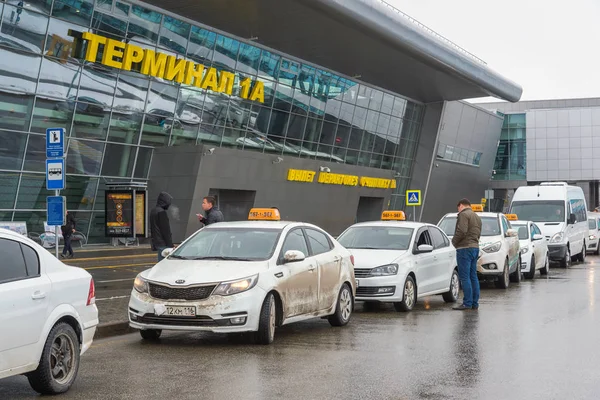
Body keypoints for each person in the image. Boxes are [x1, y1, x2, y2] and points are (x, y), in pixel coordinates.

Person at [452, 198, 482, 311]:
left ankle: (467, 303)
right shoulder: (477, 217)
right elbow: (478, 233)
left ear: (460, 205)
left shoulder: (463, 215)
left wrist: (453, 243)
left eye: (458, 208)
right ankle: (474, 303)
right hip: (475, 247)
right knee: (473, 276)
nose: (458, 210)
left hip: (464, 248)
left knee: (465, 277)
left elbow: (462, 231)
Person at [150, 192, 174, 262]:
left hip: (157, 242)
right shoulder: (161, 212)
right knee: (165, 263)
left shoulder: (153, 211)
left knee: (160, 261)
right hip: (163, 243)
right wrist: (170, 244)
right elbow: (166, 230)